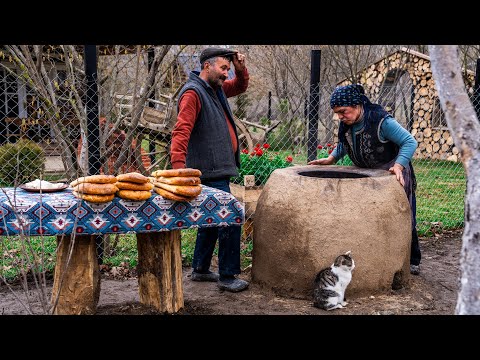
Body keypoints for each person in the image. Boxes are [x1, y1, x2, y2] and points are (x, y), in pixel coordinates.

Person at [308, 84, 421, 275]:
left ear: (357, 104)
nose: (340, 117)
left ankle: (411, 260)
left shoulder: (380, 121)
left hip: (392, 173)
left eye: (343, 111)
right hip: (368, 174)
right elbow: (346, 142)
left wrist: (400, 165)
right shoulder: (348, 123)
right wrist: (331, 158)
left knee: (404, 216)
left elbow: (409, 141)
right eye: (337, 113)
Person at [170, 47, 250, 292]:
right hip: (207, 171)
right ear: (207, 66)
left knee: (212, 220)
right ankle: (227, 276)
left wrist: (240, 68)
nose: (226, 74)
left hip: (217, 169)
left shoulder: (215, 89)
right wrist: (178, 171)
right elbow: (181, 132)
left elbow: (240, 86)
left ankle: (201, 269)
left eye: (228, 69)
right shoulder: (193, 93)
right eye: (223, 68)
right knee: (230, 218)